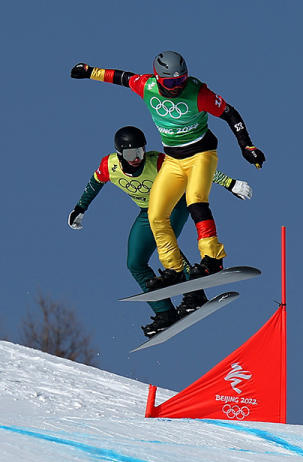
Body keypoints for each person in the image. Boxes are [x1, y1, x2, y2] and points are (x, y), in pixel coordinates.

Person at [70, 51, 265, 291]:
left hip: (201, 154)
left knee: (196, 201)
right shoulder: (147, 86)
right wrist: (90, 72)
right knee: (156, 214)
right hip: (173, 159)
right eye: (171, 83)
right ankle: (173, 269)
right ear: (159, 79)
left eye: (181, 81)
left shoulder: (198, 93)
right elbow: (121, 77)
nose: (177, 87)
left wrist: (246, 145)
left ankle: (213, 259)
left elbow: (230, 113)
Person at [67, 126, 253, 338]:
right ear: (119, 154)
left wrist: (230, 184)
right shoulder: (108, 166)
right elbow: (94, 184)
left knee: (164, 240)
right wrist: (80, 208)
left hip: (174, 205)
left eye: (139, 152)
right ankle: (165, 314)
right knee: (135, 263)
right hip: (147, 212)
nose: (136, 158)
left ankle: (194, 293)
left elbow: (195, 169)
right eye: (130, 154)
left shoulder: (157, 161)